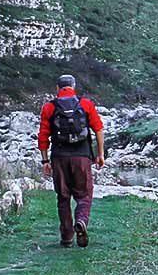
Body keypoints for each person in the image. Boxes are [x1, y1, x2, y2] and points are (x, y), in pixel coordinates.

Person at [37, 74, 107, 247]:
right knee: (84, 195)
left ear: (57, 88)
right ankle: (81, 220)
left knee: (63, 197)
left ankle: (67, 237)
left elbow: (43, 137)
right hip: (82, 156)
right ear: (74, 87)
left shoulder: (49, 107)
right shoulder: (86, 104)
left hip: (59, 157)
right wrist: (100, 154)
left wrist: (45, 161)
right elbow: (98, 129)